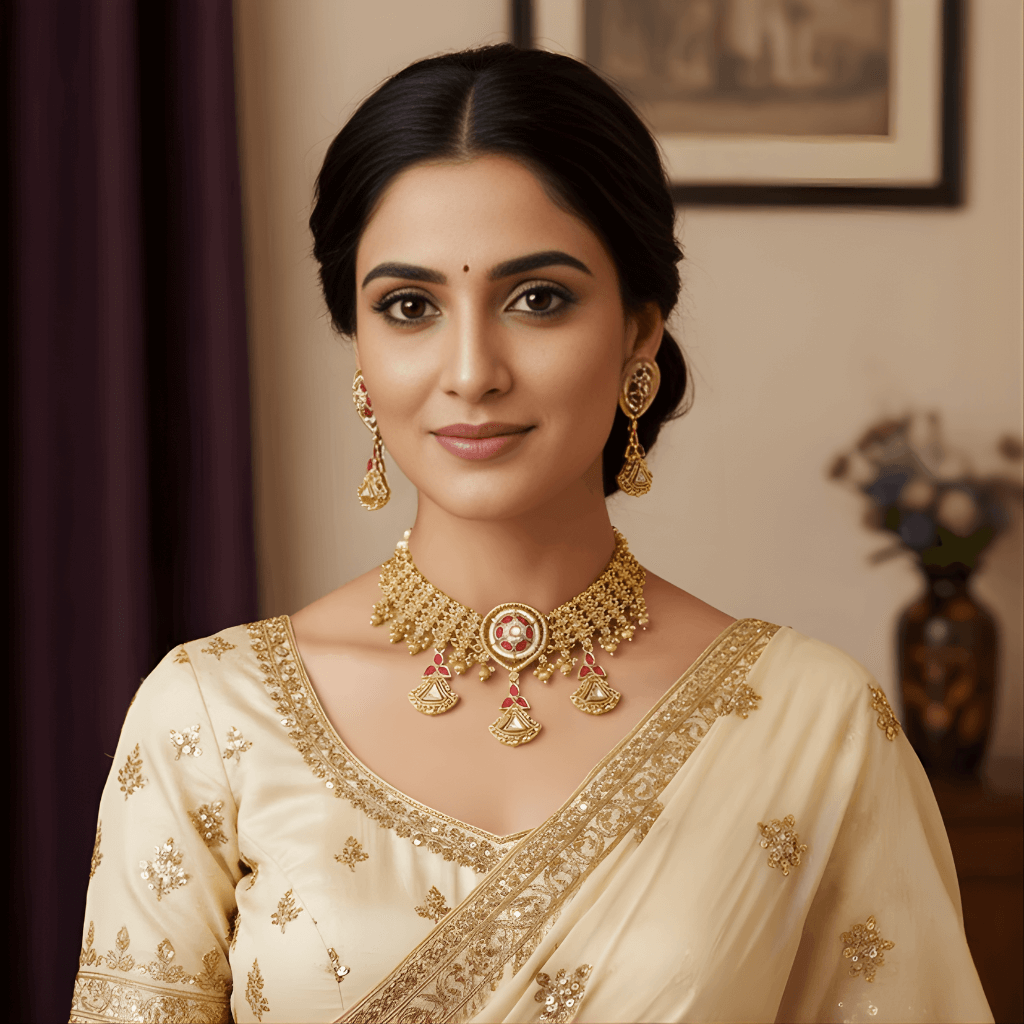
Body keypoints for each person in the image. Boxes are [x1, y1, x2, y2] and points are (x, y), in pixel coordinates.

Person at [70, 44, 991, 1024]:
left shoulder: (812, 725)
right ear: (360, 350)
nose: (471, 370)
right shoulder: (208, 717)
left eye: (537, 299)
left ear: (640, 334)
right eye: (410, 306)